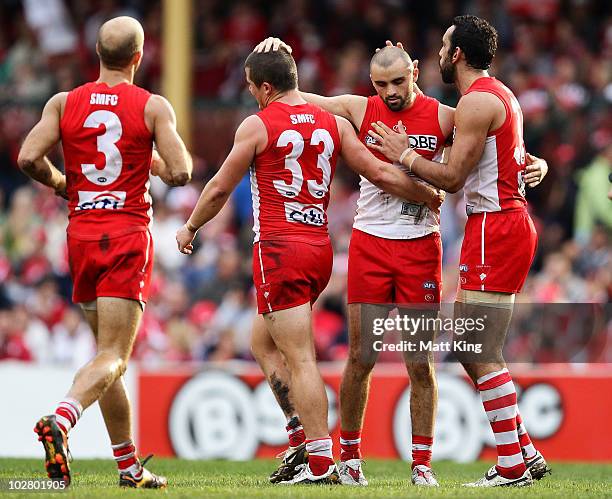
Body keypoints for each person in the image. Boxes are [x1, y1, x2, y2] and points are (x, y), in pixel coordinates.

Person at [175, 45, 442, 485]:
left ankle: (319, 461)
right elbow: (379, 172)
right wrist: (425, 194)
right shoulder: (334, 123)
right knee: (263, 341)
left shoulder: (258, 125)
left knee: (300, 358)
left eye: (252, 88)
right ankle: (301, 437)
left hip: (279, 249)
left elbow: (222, 185)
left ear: (264, 87)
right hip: (320, 250)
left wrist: (190, 227)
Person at [254, 37, 452, 487]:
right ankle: (350, 460)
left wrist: (531, 161)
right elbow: (294, 97)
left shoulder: (444, 117)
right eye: (381, 84)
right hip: (370, 245)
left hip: (421, 245)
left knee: (419, 363)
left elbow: (487, 141)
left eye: (398, 81)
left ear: (416, 71)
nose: (391, 92)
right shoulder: (359, 109)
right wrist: (282, 53)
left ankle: (422, 464)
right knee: (361, 357)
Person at [368, 15, 550, 487]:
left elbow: (450, 180)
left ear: (458, 55)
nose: (440, 54)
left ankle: (512, 464)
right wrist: (539, 164)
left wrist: (403, 154)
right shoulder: (501, 94)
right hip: (505, 222)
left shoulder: (474, 104)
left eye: (445, 46)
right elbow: (514, 156)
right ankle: (525, 453)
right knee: (477, 347)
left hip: (496, 226)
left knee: (474, 349)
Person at [18, 16, 192, 488]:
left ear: (97, 53)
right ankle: (62, 417)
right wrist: (150, 157)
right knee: (114, 354)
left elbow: (28, 158)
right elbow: (180, 173)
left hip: (81, 234)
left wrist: (62, 184)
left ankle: (128, 467)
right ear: (139, 57)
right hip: (126, 234)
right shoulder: (152, 106)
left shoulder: (63, 102)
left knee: (106, 357)